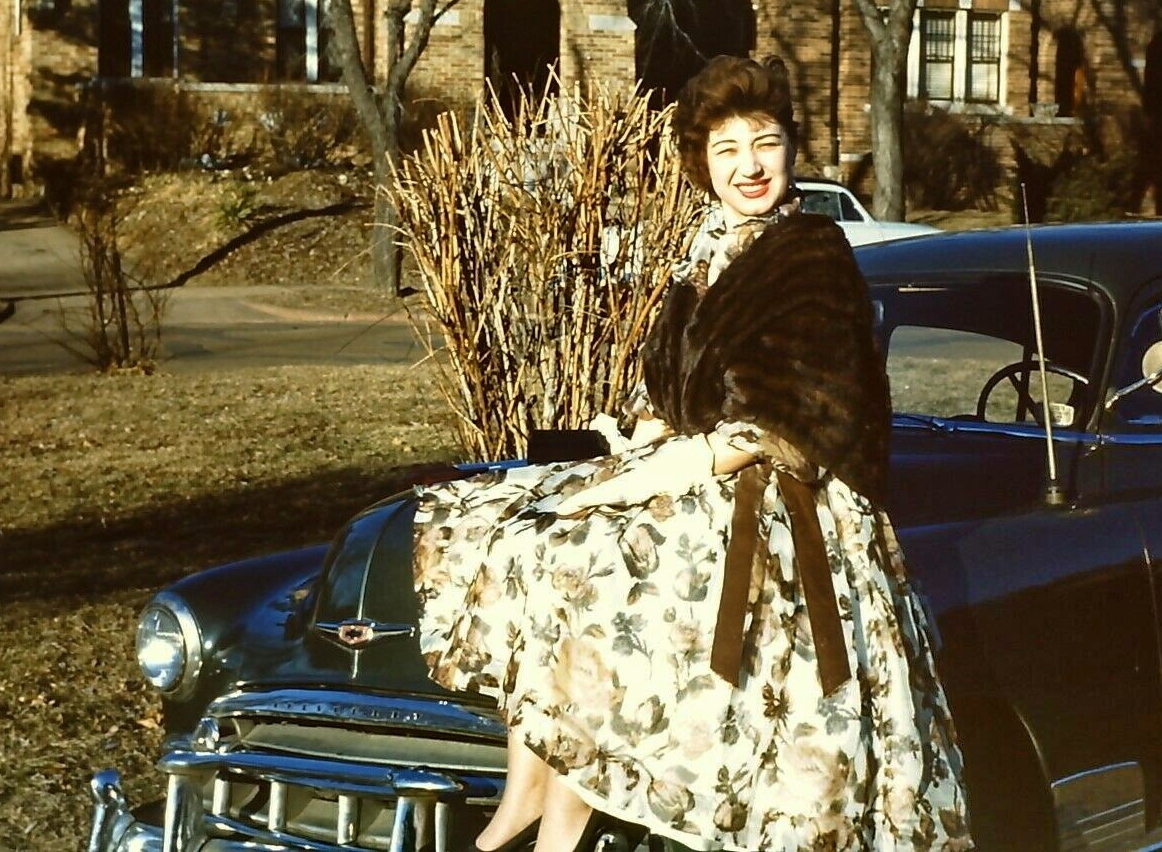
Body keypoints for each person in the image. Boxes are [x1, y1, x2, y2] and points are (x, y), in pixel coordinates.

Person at [413, 54, 972, 852]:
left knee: (596, 565)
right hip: (701, 463)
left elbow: (820, 414)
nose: (749, 166)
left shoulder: (812, 250)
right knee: (520, 532)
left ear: (791, 148)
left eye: (766, 143)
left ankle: (558, 824)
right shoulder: (706, 249)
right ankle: (529, 793)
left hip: (781, 492)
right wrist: (634, 445)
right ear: (701, 163)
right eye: (727, 149)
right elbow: (675, 386)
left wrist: (678, 465)